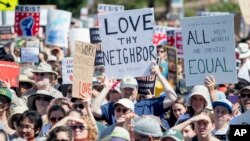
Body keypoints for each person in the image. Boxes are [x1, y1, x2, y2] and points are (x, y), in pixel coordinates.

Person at [92, 62, 177, 125]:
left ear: (136, 90)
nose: (128, 92)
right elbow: (94, 110)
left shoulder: (148, 105)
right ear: (120, 90)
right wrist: (107, 87)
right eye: (125, 89)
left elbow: (172, 97)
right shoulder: (112, 107)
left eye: (131, 89)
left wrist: (159, 74)